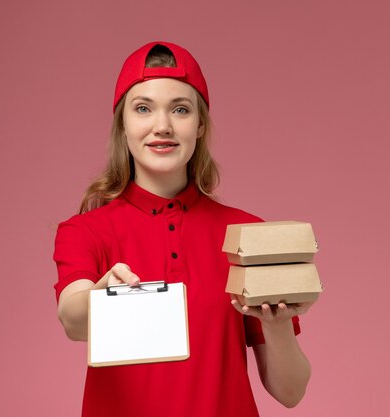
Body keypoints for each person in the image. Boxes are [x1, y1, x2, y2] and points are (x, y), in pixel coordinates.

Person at [54, 41, 313, 417]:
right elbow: (73, 320)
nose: (162, 126)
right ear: (123, 125)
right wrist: (101, 298)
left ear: (200, 125)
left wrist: (276, 326)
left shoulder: (246, 234)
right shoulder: (84, 232)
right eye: (143, 108)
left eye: (180, 109)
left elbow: (290, 392)